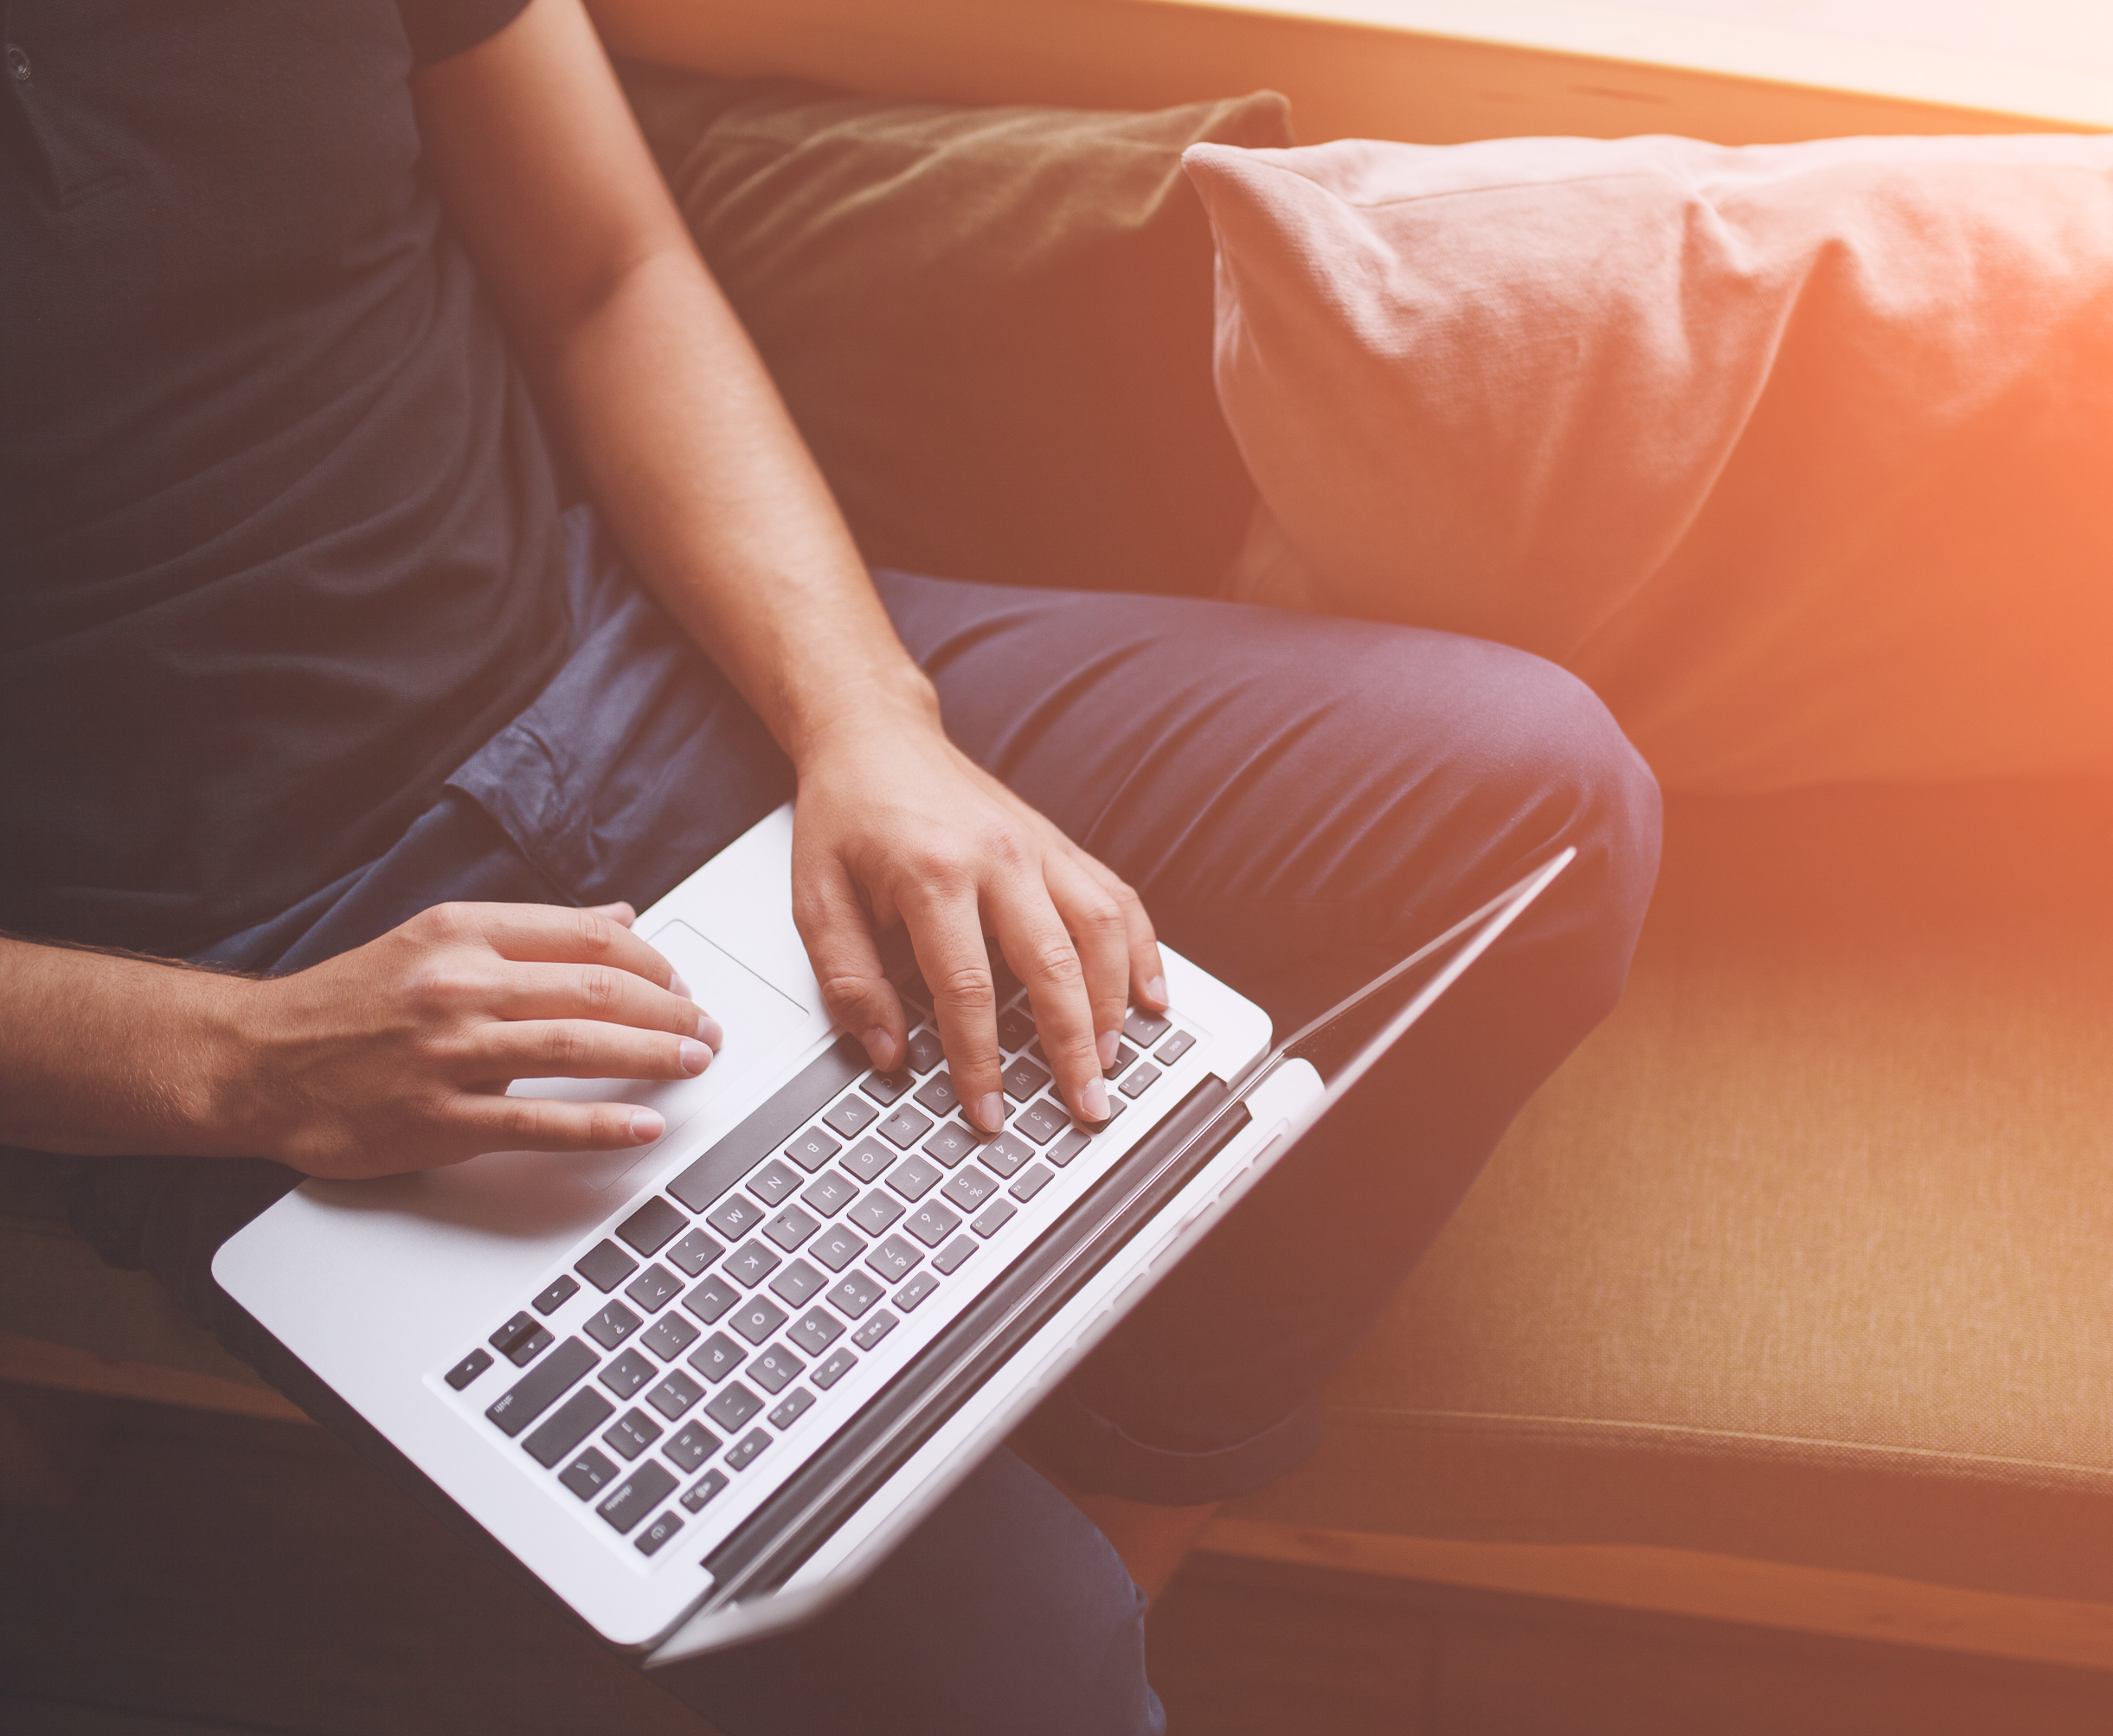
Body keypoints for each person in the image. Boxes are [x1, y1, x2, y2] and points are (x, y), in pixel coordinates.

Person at [0, 1, 1661, 1728]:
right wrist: (237, 1063)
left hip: (632, 656)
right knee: (1017, 1671)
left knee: (1535, 800)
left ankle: (1126, 1494)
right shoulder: (242, 1034)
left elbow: (604, 270)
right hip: (249, 969)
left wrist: (865, 720)